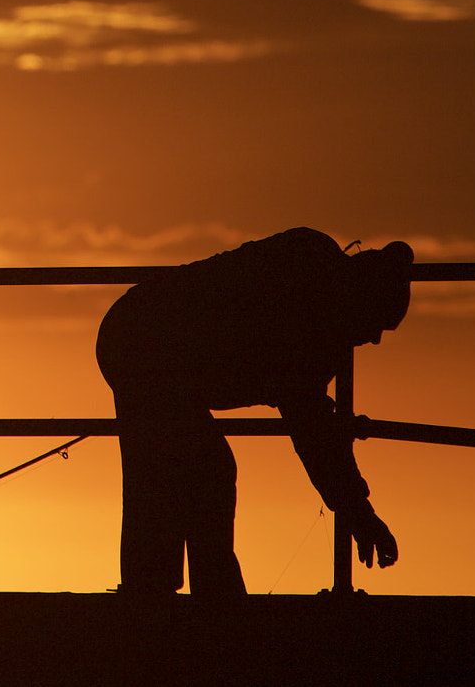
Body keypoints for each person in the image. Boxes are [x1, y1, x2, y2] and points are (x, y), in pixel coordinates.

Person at [95, 227, 414, 598]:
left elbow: (314, 429)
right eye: (377, 324)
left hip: (137, 332)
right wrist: (359, 512)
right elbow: (314, 433)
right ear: (359, 300)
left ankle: (162, 588)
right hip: (142, 343)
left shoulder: (311, 268)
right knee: (200, 467)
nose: (374, 338)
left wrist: (357, 510)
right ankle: (196, 594)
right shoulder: (310, 323)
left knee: (173, 467)